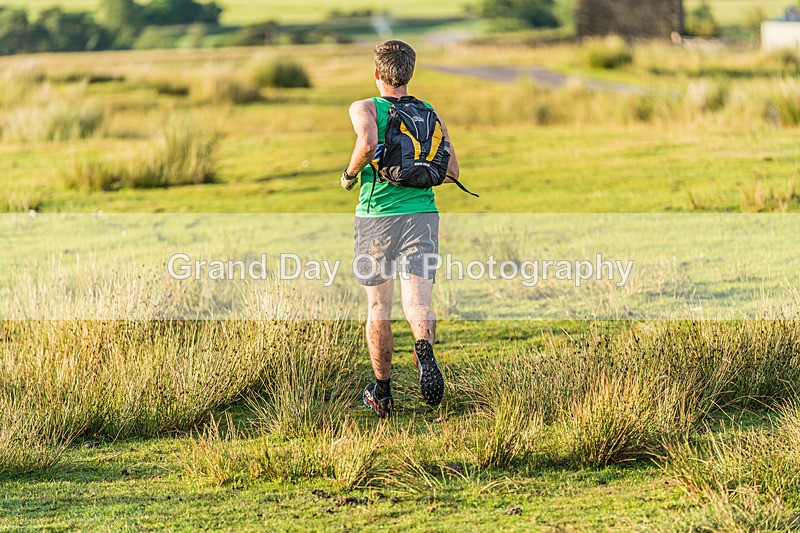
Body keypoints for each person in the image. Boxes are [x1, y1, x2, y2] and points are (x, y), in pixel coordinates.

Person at [341, 40, 461, 418]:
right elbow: (453, 171)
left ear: (377, 73)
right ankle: (423, 349)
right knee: (419, 303)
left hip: (376, 218)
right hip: (422, 216)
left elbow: (367, 142)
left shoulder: (364, 107)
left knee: (378, 306)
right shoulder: (428, 111)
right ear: (409, 73)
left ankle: (383, 391)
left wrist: (349, 175)